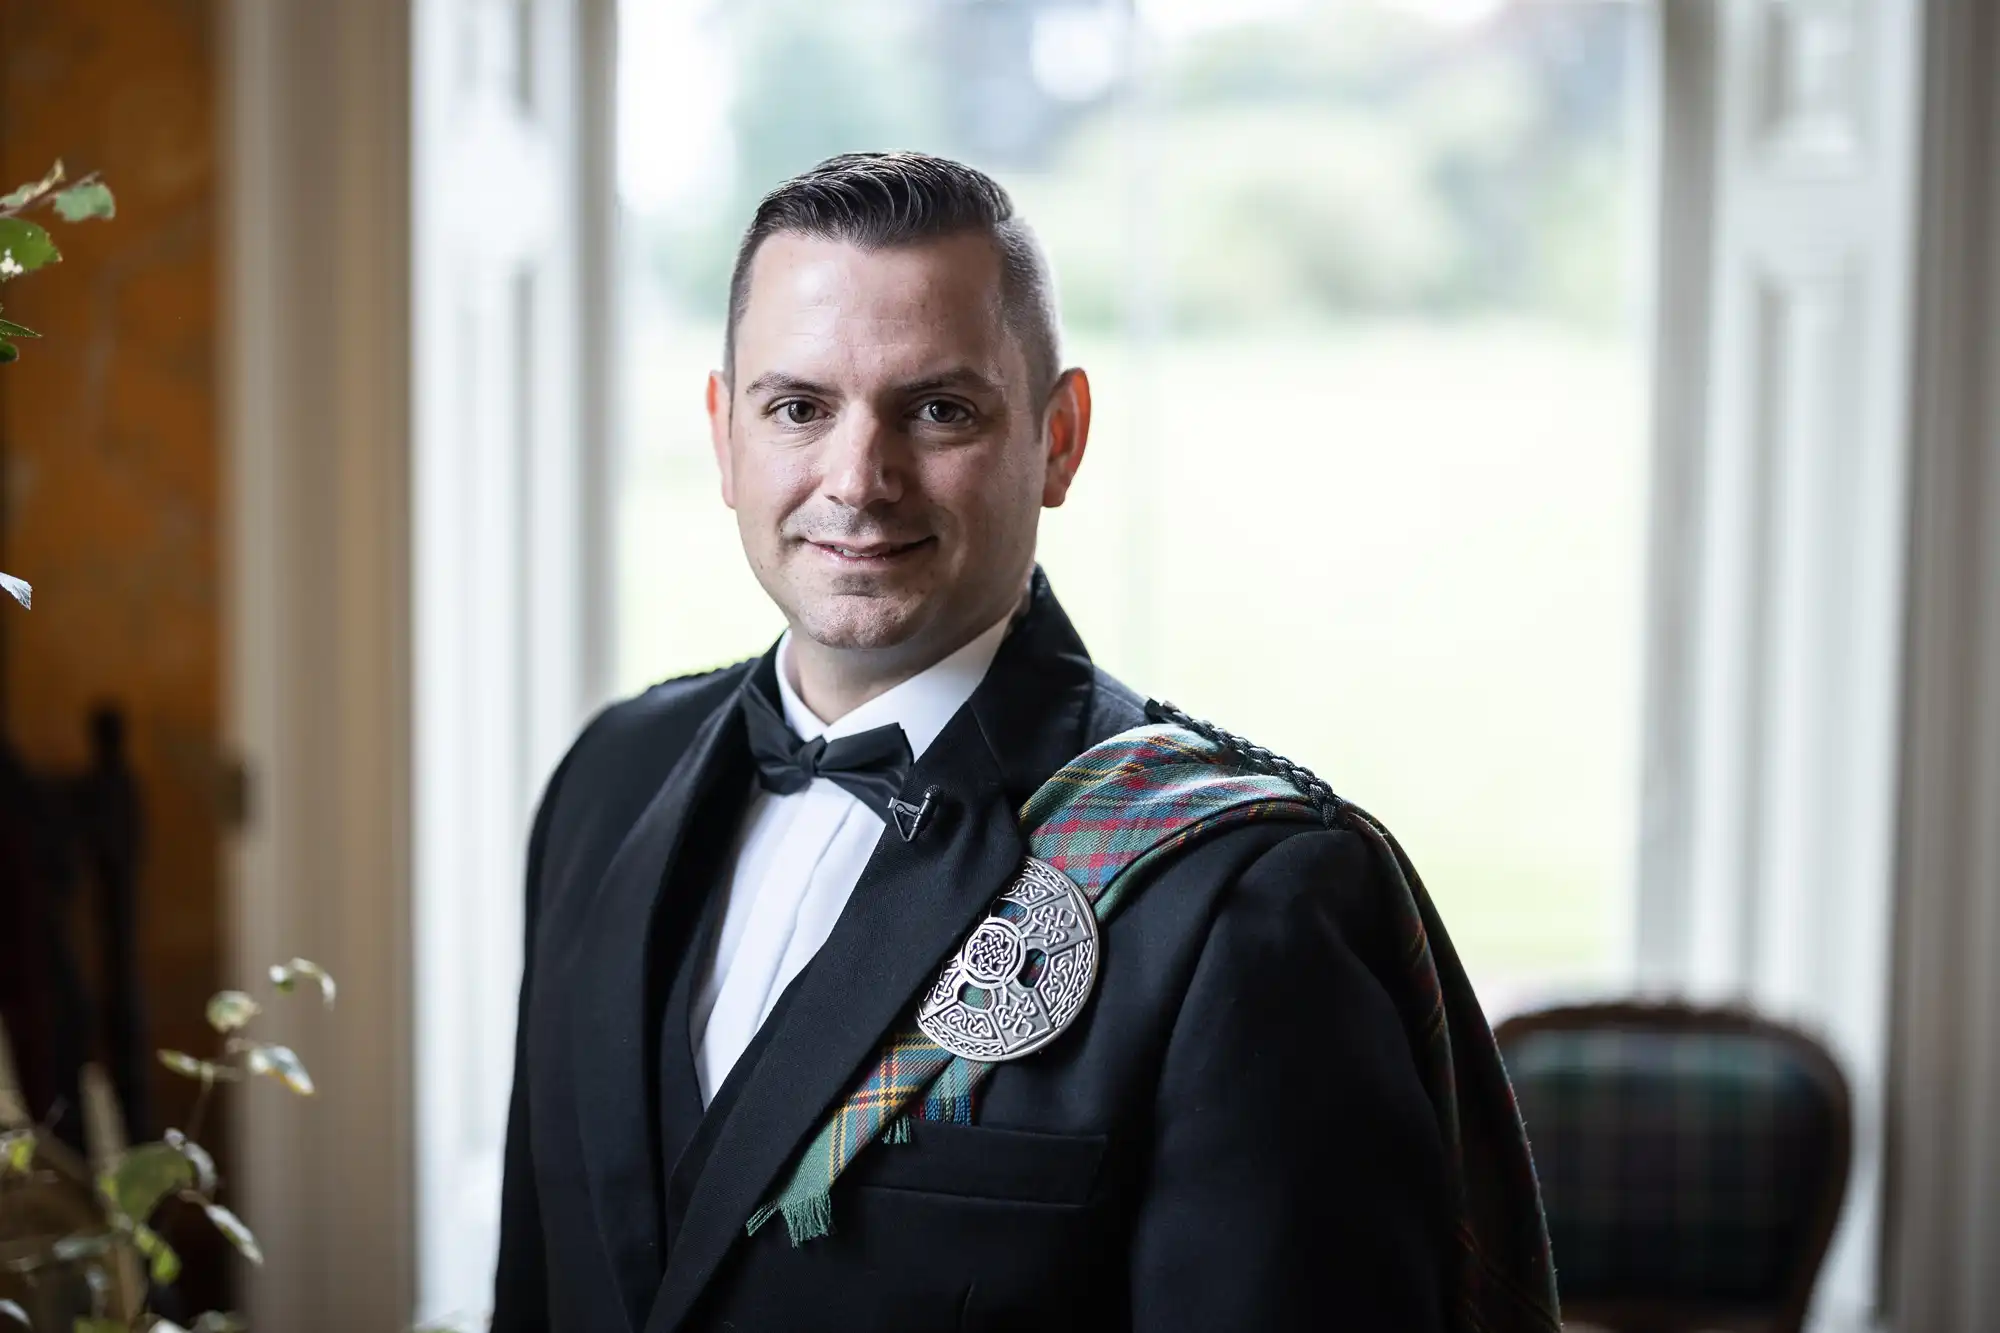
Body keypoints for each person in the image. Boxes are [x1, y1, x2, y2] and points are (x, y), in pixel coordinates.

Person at [492, 151, 1554, 1333]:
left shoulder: (1243, 897)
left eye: (937, 410)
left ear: (1058, 437)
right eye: (798, 407)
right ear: (722, 433)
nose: (858, 479)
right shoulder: (606, 780)